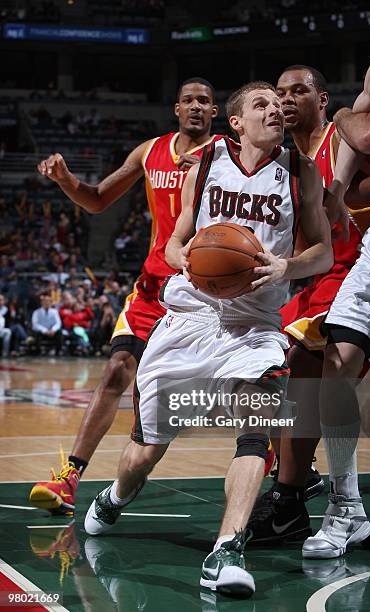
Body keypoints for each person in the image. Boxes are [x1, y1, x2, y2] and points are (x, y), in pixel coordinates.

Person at [83, 81, 333, 598]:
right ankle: (116, 493)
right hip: (191, 317)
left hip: (255, 325)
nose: (275, 110)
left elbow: (325, 254)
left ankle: (226, 551)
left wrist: (288, 264)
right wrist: (191, 262)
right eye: (261, 105)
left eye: (278, 104)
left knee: (256, 431)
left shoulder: (300, 172)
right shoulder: (208, 159)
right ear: (236, 122)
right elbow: (177, 239)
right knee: (144, 453)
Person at [29, 78, 219, 515]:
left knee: (221, 389)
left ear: (215, 112)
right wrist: (65, 179)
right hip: (154, 287)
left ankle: (275, 467)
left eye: (204, 101)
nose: (195, 107)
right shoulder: (149, 152)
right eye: (188, 100)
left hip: (208, 292)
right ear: (176, 108)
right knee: (116, 370)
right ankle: (70, 479)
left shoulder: (228, 154)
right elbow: (96, 201)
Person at [247, 65, 370, 543]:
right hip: (304, 282)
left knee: (305, 362)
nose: (286, 99)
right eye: (279, 92)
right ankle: (294, 484)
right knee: (279, 377)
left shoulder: (341, 145)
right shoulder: (278, 155)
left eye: (298, 91)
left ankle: (290, 494)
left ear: (322, 100)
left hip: (354, 272)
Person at [302, 0, 370, 559]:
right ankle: (346, 509)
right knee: (337, 360)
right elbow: (356, 139)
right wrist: (339, 189)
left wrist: (342, 115)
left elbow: (361, 131)